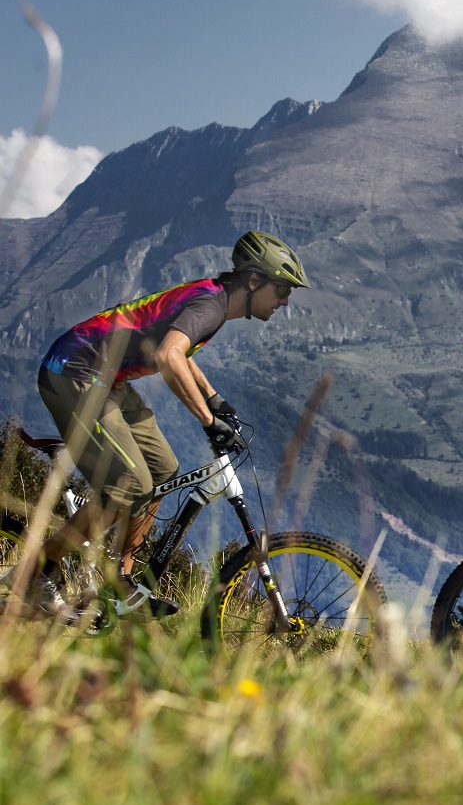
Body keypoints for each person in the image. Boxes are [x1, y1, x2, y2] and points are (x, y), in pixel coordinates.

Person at [19, 231, 309, 618]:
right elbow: (169, 356)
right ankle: (38, 570)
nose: (286, 301)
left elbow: (181, 351)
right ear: (254, 281)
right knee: (129, 487)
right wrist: (208, 421)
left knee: (163, 473)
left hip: (109, 380)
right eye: (282, 289)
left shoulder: (215, 300)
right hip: (75, 372)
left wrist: (214, 398)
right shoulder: (209, 305)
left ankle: (120, 581)